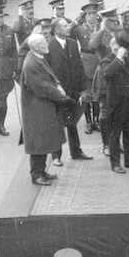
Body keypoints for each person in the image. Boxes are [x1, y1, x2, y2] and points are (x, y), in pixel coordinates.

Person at [20, 34, 77, 186]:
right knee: (39, 142)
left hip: (44, 106)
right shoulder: (31, 64)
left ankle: (42, 171)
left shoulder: (37, 57)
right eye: (44, 42)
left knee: (44, 141)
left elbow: (49, 77)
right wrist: (60, 94)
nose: (47, 44)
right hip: (38, 109)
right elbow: (41, 87)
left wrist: (57, 84)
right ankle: (36, 174)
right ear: (36, 46)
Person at [45, 17, 91, 165]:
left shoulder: (71, 43)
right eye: (64, 26)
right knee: (57, 123)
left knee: (72, 122)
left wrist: (83, 89)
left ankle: (76, 151)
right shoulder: (49, 46)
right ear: (56, 30)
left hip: (72, 90)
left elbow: (79, 67)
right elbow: (47, 71)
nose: (68, 28)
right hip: (58, 91)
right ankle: (56, 155)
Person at [102, 33, 129, 174]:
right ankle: (115, 163)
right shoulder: (107, 60)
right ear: (111, 48)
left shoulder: (128, 59)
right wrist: (118, 57)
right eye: (115, 50)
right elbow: (108, 73)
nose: (119, 52)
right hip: (117, 103)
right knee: (115, 134)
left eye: (120, 50)